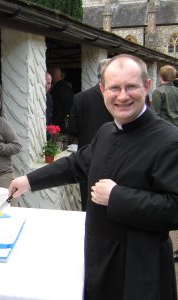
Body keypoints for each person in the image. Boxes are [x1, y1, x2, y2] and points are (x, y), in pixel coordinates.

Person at [9, 54, 178, 300]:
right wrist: (29, 181)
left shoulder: (169, 140)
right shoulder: (107, 131)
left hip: (139, 267)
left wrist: (117, 197)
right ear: (102, 90)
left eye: (131, 86)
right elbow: (76, 164)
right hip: (99, 253)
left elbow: (175, 207)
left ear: (147, 86)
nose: (122, 96)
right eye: (114, 88)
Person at [68, 58, 113, 211]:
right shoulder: (123, 99)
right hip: (116, 159)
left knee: (89, 205)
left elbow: (72, 129)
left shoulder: (80, 98)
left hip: (88, 160)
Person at [49, 66, 74, 133]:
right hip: (68, 121)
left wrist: (53, 123)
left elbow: (56, 108)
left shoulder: (56, 89)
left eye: (52, 75)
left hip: (59, 124)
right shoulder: (68, 88)